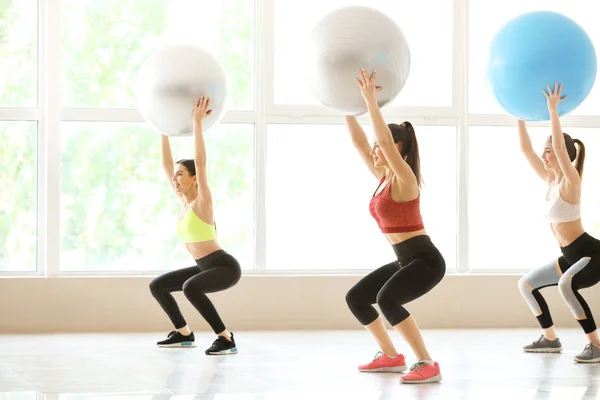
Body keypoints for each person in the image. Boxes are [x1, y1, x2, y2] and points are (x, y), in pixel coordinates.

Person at [344, 69, 446, 384]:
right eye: (376, 147)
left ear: (398, 147)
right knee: (357, 297)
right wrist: (345, 108)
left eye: (383, 146)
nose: (375, 151)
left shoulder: (405, 179)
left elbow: (383, 145)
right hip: (404, 258)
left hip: (425, 261)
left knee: (388, 299)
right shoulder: (383, 180)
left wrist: (371, 101)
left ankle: (427, 362)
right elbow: (362, 144)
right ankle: (390, 356)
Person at [149, 95, 241, 355]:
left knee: (191, 287)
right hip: (203, 266)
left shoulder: (203, 202)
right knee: (158, 285)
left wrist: (197, 123)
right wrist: (161, 128)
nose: (175, 178)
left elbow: (201, 162)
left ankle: (225, 338)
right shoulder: (182, 201)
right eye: (175, 175)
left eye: (180, 174)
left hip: (223, 266)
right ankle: (183, 333)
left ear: (193, 179)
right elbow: (165, 164)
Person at [517, 82, 600, 363]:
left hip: (591, 254)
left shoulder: (570, 180)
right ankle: (550, 339)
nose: (545, 155)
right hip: (570, 255)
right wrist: (518, 115)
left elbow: (563, 155)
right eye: (546, 150)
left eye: (549, 150)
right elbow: (527, 152)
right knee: (526, 285)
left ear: (563, 154)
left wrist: (553, 111)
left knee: (566, 285)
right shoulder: (550, 180)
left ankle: (596, 344)